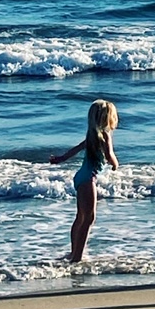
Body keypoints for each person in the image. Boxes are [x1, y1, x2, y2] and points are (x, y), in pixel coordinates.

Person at [50, 99, 120, 263]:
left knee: (80, 217)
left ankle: (73, 252)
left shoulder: (92, 135)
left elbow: (77, 149)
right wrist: (116, 165)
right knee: (89, 218)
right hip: (88, 180)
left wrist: (61, 159)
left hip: (82, 177)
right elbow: (109, 155)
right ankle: (77, 257)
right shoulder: (104, 135)